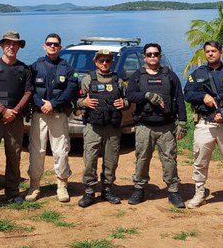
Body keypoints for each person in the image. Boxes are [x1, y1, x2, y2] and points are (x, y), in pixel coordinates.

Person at [183, 40, 223, 215]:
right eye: (207, 51)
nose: (210, 54)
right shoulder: (197, 74)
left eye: (213, 51)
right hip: (205, 124)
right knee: (200, 161)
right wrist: (203, 96)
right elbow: (187, 93)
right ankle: (199, 193)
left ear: (220, 52)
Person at [126, 43, 187, 208]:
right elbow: (130, 95)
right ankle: (139, 188)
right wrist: (146, 95)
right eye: (149, 54)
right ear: (144, 57)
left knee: (169, 160)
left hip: (166, 126)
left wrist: (182, 122)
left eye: (155, 54)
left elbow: (179, 99)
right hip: (144, 126)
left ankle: (173, 191)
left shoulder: (170, 75)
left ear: (160, 56)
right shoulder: (137, 76)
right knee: (142, 159)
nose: (152, 57)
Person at [0, 31, 34, 206]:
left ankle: (12, 191)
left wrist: (15, 111)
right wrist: (3, 110)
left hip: (15, 119)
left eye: (15, 44)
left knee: (14, 154)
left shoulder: (24, 69)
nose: (11, 46)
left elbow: (28, 92)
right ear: (2, 45)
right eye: (8, 43)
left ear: (19, 47)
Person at [25, 33, 78, 203]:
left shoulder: (67, 67)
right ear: (44, 46)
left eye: (56, 44)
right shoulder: (35, 66)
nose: (52, 46)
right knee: (36, 150)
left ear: (60, 47)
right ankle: (34, 186)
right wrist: (41, 104)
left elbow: (71, 89)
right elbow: (29, 89)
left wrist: (53, 104)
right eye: (49, 43)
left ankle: (62, 185)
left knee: (60, 150)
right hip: (39, 114)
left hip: (58, 114)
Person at [75, 49, 127, 208]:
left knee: (111, 161)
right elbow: (76, 100)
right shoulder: (87, 79)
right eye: (101, 60)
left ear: (111, 62)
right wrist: (82, 103)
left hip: (112, 127)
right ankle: (89, 191)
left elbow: (126, 99)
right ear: (95, 62)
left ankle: (107, 189)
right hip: (93, 126)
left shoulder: (118, 81)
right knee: (90, 160)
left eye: (108, 61)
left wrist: (124, 103)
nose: (105, 63)